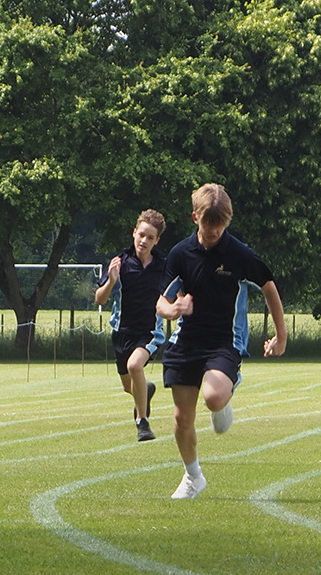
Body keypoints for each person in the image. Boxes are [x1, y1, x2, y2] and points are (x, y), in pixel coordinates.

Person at [153, 182, 287, 500]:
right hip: (185, 343)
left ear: (228, 221)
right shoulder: (180, 253)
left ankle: (227, 388)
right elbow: (159, 300)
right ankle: (193, 477)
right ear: (194, 217)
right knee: (181, 418)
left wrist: (281, 336)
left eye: (220, 225)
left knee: (213, 397)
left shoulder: (238, 253)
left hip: (220, 343)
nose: (214, 232)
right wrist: (173, 309)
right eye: (207, 224)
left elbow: (268, 286)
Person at [93, 208, 169, 441]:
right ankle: (146, 391)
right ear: (134, 233)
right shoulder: (120, 263)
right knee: (130, 387)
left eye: (150, 237)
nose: (144, 241)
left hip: (149, 333)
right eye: (141, 234)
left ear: (157, 240)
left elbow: (174, 295)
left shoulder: (163, 267)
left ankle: (142, 422)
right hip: (121, 333)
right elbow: (100, 299)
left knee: (136, 366)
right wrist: (111, 280)